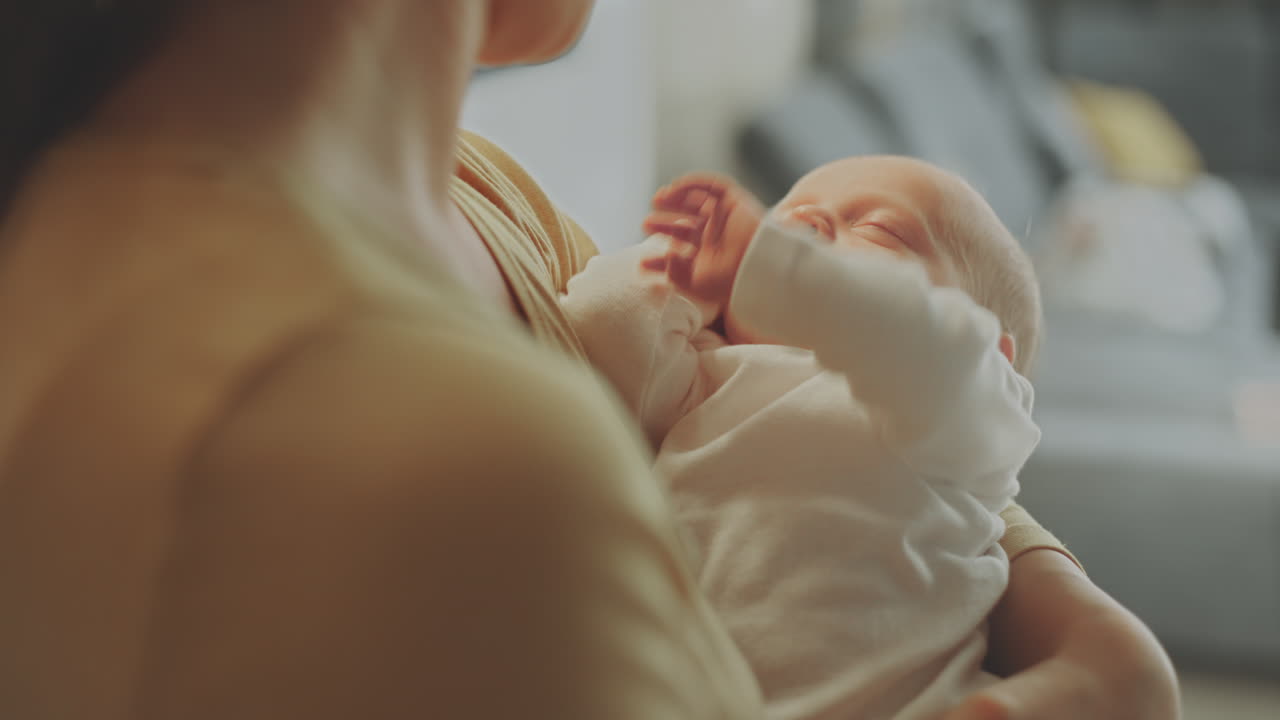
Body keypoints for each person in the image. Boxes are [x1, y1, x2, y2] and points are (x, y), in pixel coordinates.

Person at [0, 1, 1177, 719]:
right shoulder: (443, 451)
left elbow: (932, 412)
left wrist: (1073, 616)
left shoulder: (477, 189)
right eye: (802, 217)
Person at [562, 156, 1044, 719]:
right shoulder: (710, 378)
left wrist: (773, 264)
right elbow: (602, 328)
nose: (802, 230)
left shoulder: (963, 411)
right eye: (786, 218)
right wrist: (684, 266)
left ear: (998, 357)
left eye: (879, 229)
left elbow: (929, 345)